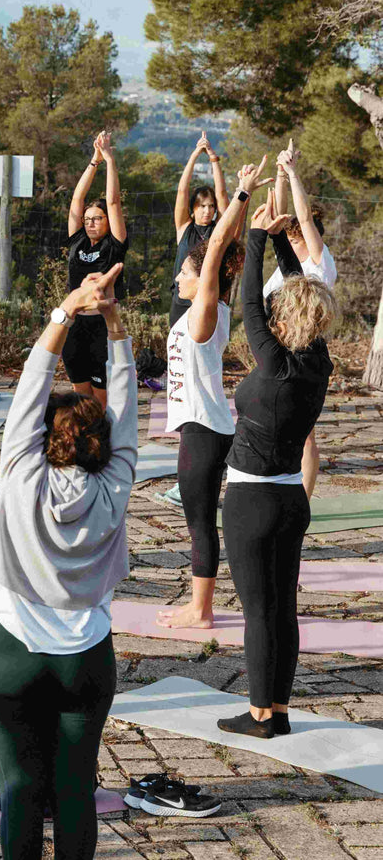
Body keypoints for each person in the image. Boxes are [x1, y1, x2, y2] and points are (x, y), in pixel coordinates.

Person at [0, 263, 134, 860]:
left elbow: (32, 385)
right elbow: (127, 407)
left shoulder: (20, 472)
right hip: (86, 658)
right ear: (104, 445)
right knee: (74, 792)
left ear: (43, 438)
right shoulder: (116, 483)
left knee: (18, 789)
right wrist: (114, 323)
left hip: (8, 650)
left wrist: (67, 309)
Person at [216, 174, 336, 741]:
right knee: (281, 611)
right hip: (290, 501)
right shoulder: (316, 364)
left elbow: (246, 303)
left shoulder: (273, 363)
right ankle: (278, 710)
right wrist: (284, 244)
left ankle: (261, 714)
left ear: (287, 319)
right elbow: (295, 290)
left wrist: (262, 236)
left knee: (258, 614)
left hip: (251, 501)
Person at [155, 161, 252, 631]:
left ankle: (201, 610)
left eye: (185, 275)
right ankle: (202, 606)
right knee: (199, 519)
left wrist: (241, 195)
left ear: (203, 279)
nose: (178, 279)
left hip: (205, 430)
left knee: (198, 522)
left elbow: (216, 247)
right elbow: (221, 248)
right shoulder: (204, 311)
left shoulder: (204, 314)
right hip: (203, 426)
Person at [270, 144, 335, 499]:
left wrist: (294, 173)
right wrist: (279, 174)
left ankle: (303, 501)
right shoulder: (283, 271)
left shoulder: (319, 265)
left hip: (303, 357)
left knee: (304, 432)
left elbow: (304, 218)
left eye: (295, 240)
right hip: (275, 356)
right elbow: (277, 217)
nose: (291, 244)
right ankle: (279, 489)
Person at [62, 130, 128, 405]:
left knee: (101, 400)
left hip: (102, 326)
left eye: (97, 218)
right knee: (81, 398)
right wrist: (94, 160)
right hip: (76, 324)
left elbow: (112, 201)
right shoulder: (78, 240)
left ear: (107, 221)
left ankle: (104, 441)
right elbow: (77, 201)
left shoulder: (115, 243)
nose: (90, 222)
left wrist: (110, 161)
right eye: (87, 219)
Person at [168, 131, 228, 327]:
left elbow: (221, 193)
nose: (207, 210)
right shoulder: (185, 227)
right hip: (182, 300)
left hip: (210, 300)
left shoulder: (218, 230)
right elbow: (182, 191)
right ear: (193, 209)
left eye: (211, 206)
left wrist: (213, 158)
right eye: (202, 206)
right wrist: (195, 155)